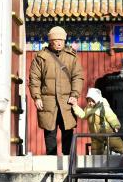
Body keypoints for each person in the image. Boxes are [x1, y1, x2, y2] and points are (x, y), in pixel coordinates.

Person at [28, 26, 85, 155]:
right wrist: (37, 97)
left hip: (66, 102)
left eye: (61, 40)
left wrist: (75, 94)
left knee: (68, 132)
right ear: (50, 41)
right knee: (49, 133)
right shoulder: (41, 57)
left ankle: (68, 160)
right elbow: (34, 78)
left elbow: (77, 77)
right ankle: (51, 161)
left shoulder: (71, 57)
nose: (59, 43)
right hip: (48, 102)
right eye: (56, 40)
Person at [72, 87, 123, 154]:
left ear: (97, 100)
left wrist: (116, 125)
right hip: (95, 134)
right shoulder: (88, 109)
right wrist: (75, 106)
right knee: (96, 149)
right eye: (89, 101)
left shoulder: (104, 107)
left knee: (115, 142)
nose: (90, 103)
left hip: (107, 132)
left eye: (93, 101)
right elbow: (83, 115)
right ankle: (96, 158)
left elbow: (112, 117)